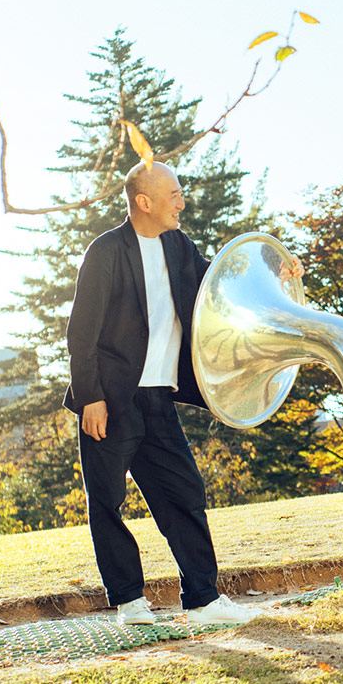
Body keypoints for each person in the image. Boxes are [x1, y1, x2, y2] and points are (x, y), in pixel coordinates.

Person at [64, 160, 303, 624]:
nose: (182, 202)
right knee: (107, 500)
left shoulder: (179, 246)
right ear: (144, 202)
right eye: (173, 194)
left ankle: (203, 599)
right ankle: (130, 600)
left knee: (185, 493)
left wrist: (277, 274)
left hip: (159, 398)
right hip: (110, 401)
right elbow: (81, 331)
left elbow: (220, 287)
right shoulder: (106, 251)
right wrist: (90, 397)